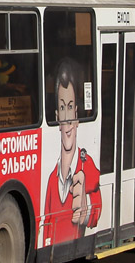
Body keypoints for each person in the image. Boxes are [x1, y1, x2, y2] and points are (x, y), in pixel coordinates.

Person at [43, 58, 101, 246]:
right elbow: (45, 230)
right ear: (56, 117)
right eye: (62, 108)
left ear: (77, 115)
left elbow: (98, 207)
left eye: (70, 107)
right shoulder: (52, 180)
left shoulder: (87, 165)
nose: (67, 120)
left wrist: (86, 208)